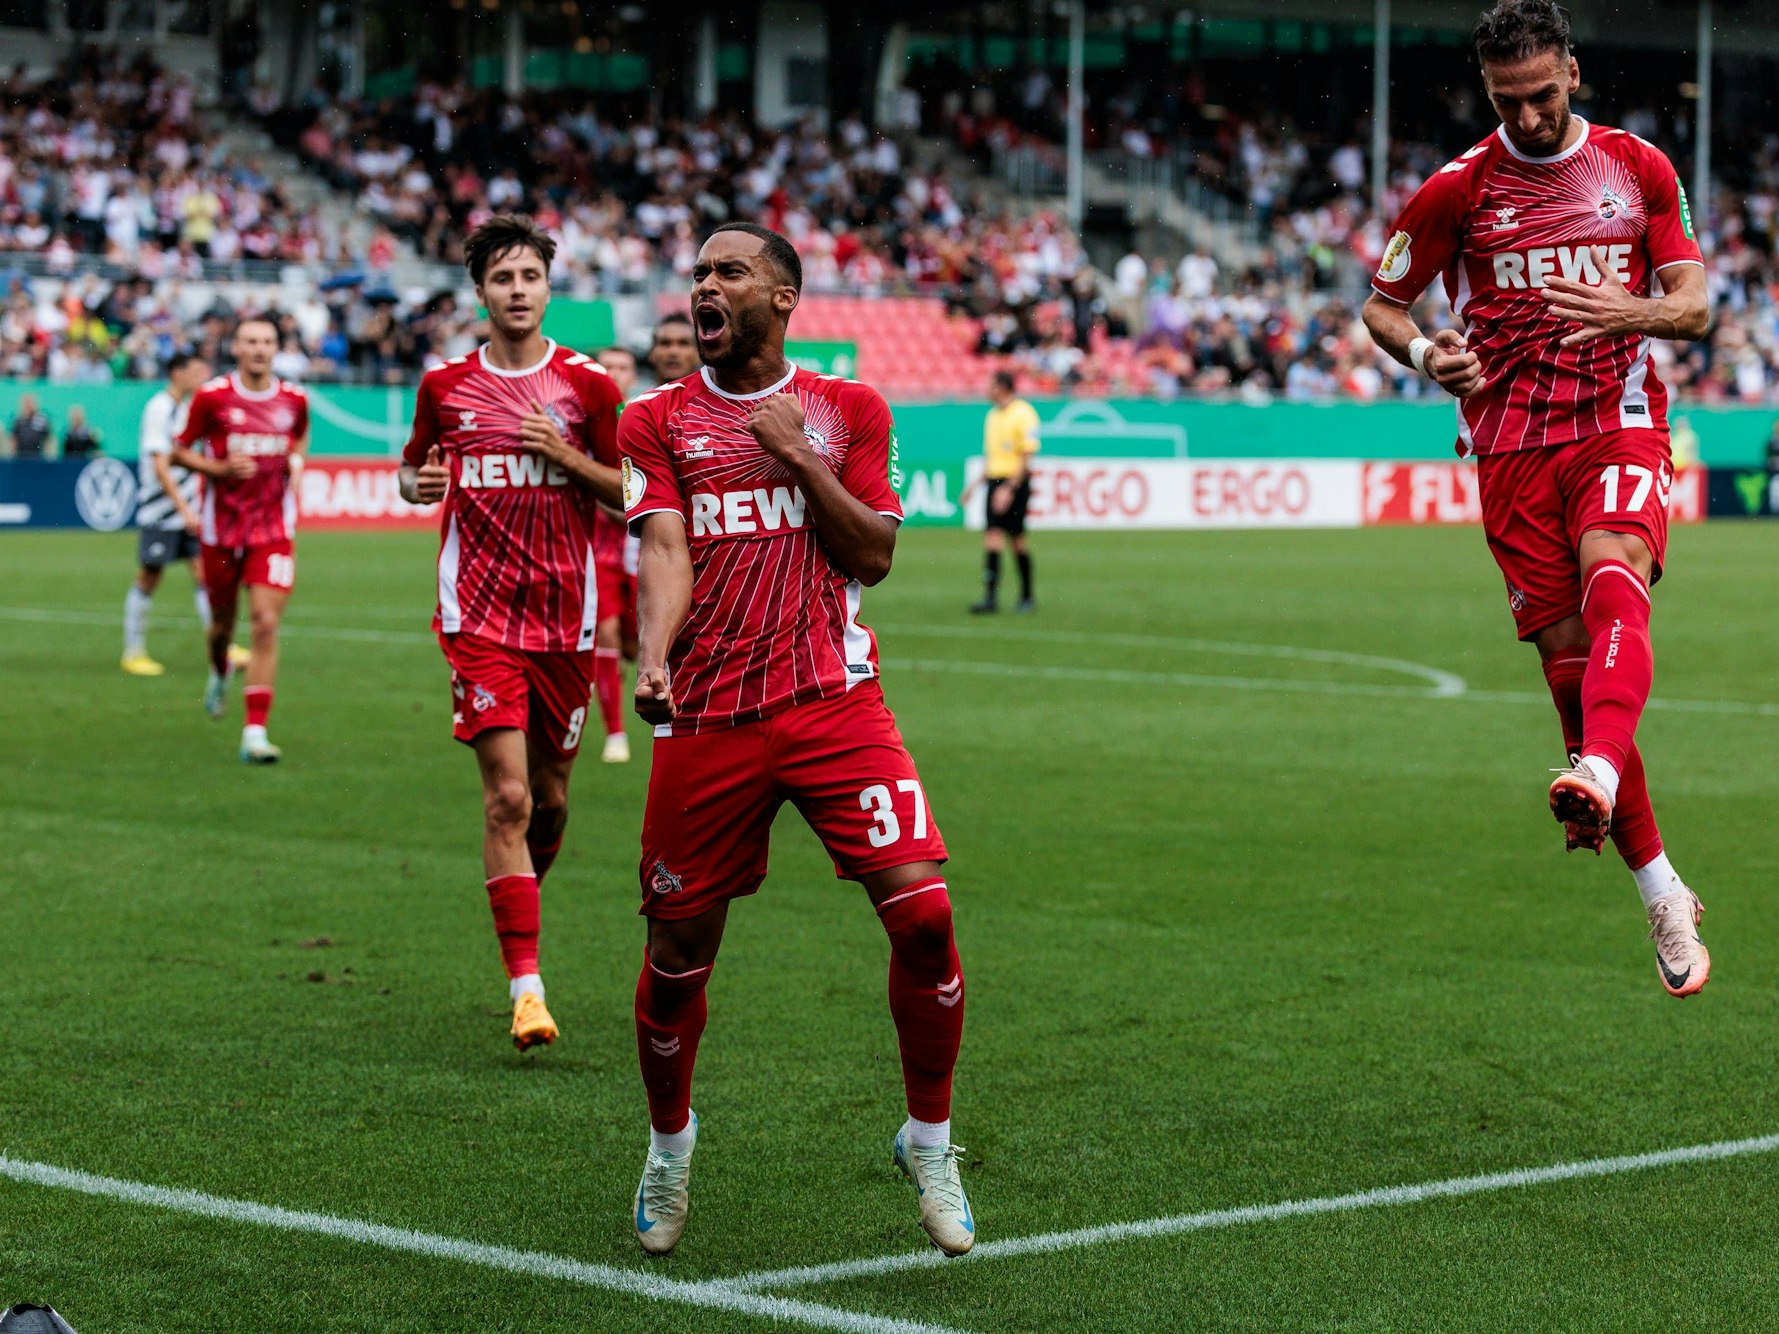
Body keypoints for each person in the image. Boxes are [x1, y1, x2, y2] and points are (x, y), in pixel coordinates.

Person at [621, 222, 974, 1258]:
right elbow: (669, 544)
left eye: (728, 270)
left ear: (782, 296)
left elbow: (874, 549)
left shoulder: (848, 409)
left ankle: (929, 1138)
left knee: (926, 919)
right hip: (709, 713)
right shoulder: (657, 420)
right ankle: (670, 1143)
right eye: (697, 272)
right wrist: (653, 652)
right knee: (678, 949)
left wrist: (797, 456)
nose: (704, 285)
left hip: (833, 700)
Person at [1362, 0, 1711, 996]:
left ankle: (1597, 773)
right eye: (1509, 101)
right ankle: (1662, 886)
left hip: (1618, 418)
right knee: (1570, 679)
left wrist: (1631, 308)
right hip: (1510, 446)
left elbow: (1690, 302)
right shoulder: (1458, 189)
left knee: (1618, 569)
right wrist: (1429, 350)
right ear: (1488, 92)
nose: (1530, 116)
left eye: (1545, 95)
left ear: (1574, 72)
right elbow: (1382, 306)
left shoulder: (1636, 168)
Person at [398, 215, 624, 1054]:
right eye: (503, 279)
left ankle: (520, 894)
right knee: (508, 796)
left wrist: (566, 457)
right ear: (481, 292)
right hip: (478, 617)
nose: (517, 291)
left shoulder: (588, 387)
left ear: (547, 287)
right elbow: (412, 468)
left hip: (564, 620)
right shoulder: (446, 386)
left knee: (552, 796)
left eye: (530, 276)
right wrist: (418, 484)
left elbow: (628, 493)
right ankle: (526, 989)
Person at [171, 317, 310, 763]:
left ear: (277, 349)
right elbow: (180, 449)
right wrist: (219, 470)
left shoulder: (294, 399)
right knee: (221, 628)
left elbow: (300, 436)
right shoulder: (212, 397)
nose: (259, 349)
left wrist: (296, 463)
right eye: (250, 340)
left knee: (265, 624)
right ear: (235, 347)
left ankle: (254, 731)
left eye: (267, 342)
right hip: (221, 532)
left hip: (273, 530)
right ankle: (218, 671)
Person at [121, 352, 238, 677]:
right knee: (150, 575)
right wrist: (184, 507)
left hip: (188, 511)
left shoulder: (188, 408)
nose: (201, 374)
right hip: (162, 510)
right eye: (195, 369)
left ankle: (222, 648)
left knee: (205, 574)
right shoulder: (160, 408)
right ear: (176, 372)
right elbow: (160, 464)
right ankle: (133, 651)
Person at [590, 343, 641, 763]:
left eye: (622, 367)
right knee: (604, 633)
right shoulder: (581, 423)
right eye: (607, 366)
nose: (614, 373)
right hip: (598, 550)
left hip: (644, 550)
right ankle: (615, 734)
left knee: (634, 645)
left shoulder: (644, 418)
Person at [964, 370, 1039, 614]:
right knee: (993, 538)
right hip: (995, 481)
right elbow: (992, 459)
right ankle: (990, 598)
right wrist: (974, 487)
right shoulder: (992, 416)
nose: (988, 389)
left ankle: (1027, 596)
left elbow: (1026, 457)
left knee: (1017, 540)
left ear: (1003, 387)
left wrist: (1009, 489)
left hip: (1015, 483)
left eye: (992, 385)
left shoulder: (1024, 413)